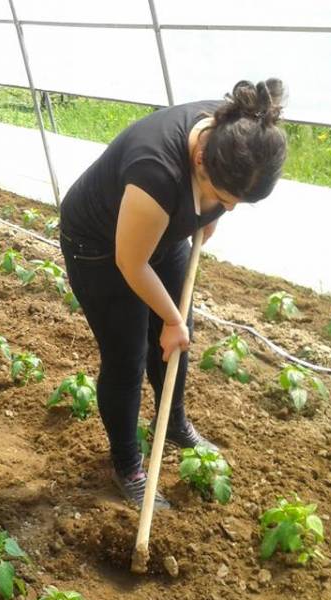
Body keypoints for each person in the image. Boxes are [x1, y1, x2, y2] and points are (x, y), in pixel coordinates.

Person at [59, 79, 287, 508]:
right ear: (200, 159)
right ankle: (127, 464)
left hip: (160, 236)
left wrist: (214, 209)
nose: (230, 207)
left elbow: (216, 197)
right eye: (222, 197)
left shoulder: (236, 133)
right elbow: (131, 263)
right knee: (127, 356)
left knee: (178, 341)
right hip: (102, 248)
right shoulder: (155, 171)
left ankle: (175, 423)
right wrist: (168, 318)